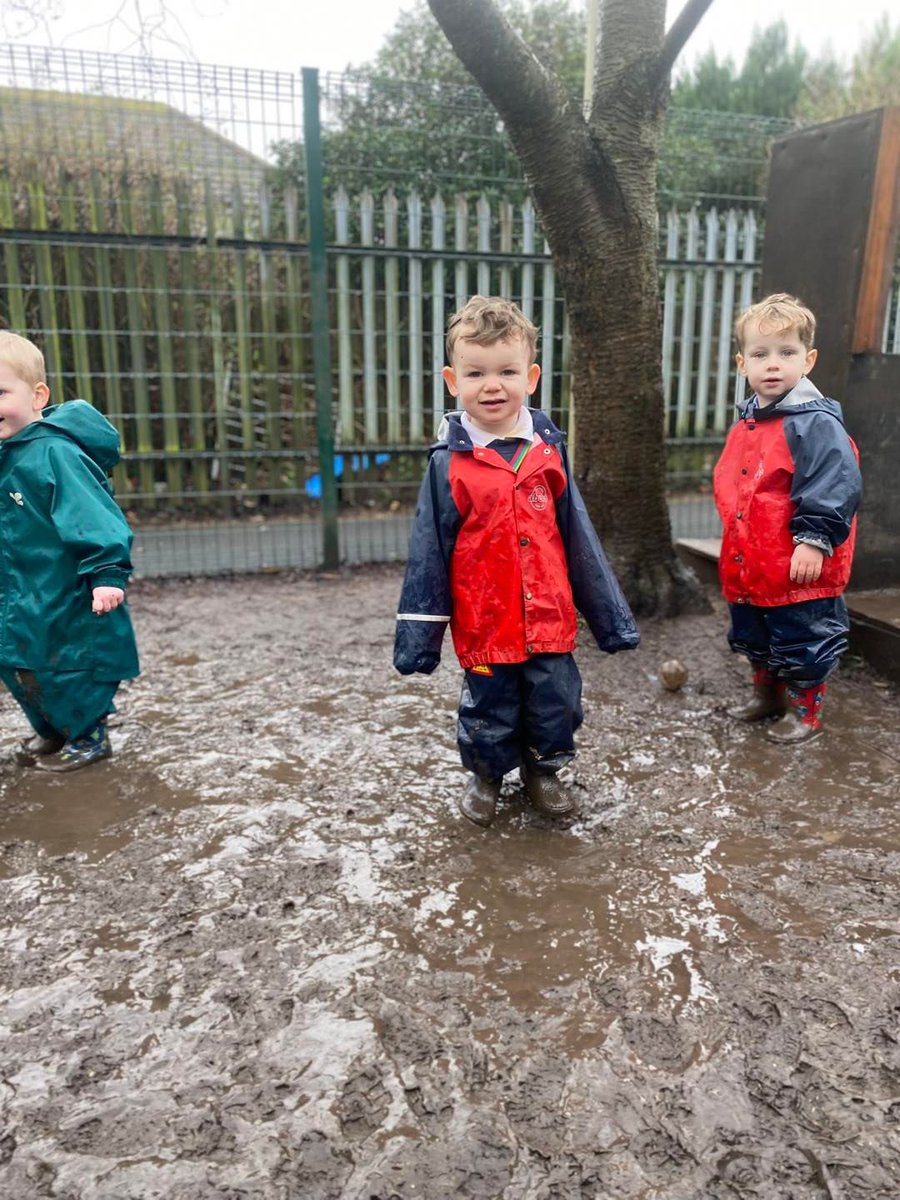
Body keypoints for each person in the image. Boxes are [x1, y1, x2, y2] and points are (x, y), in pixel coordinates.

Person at [393, 296, 639, 827]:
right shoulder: (447, 464)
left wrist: (610, 619)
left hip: (549, 617)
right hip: (486, 621)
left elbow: (577, 533)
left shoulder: (549, 451)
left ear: (530, 376)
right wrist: (419, 639)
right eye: (476, 373)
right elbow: (430, 550)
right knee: (489, 703)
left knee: (555, 700)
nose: (492, 385)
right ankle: (486, 775)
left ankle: (543, 771)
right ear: (452, 381)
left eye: (506, 371)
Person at [713, 293, 861, 745]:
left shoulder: (815, 423)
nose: (773, 364)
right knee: (755, 634)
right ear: (743, 364)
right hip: (754, 561)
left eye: (787, 352)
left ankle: (805, 712)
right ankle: (767, 696)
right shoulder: (748, 423)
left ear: (808, 360)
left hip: (798, 565)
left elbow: (834, 481)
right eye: (761, 354)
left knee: (803, 637)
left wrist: (814, 538)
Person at [0, 331, 139, 772]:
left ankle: (87, 734)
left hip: (62, 591)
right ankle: (51, 729)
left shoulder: (54, 454)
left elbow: (93, 516)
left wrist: (107, 573)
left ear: (38, 396)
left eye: (0, 393)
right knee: (17, 663)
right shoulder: (5, 454)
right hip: (18, 590)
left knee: (69, 667)